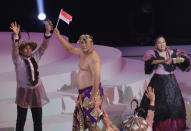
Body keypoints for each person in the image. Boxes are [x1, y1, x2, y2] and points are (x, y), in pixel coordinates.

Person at [54, 28, 104, 131]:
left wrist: (93, 97)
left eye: (86, 43)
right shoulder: (82, 53)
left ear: (92, 43)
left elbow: (97, 79)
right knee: (78, 123)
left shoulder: (94, 59)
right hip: (82, 94)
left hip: (92, 93)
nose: (84, 46)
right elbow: (70, 49)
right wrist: (58, 36)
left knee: (91, 124)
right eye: (82, 43)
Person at [140, 36, 190, 131]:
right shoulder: (152, 53)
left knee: (174, 105)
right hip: (158, 82)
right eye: (159, 42)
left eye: (163, 42)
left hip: (171, 82)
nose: (162, 44)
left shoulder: (172, 52)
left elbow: (184, 59)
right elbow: (151, 61)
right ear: (156, 44)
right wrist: (164, 61)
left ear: (166, 43)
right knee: (159, 105)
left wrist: (174, 60)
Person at [10, 20, 53, 131]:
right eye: (25, 48)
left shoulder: (35, 56)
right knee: (21, 120)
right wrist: (16, 36)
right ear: (21, 50)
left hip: (36, 90)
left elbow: (43, 47)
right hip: (23, 91)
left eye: (29, 48)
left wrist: (47, 32)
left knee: (38, 119)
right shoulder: (18, 60)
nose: (28, 50)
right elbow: (14, 51)